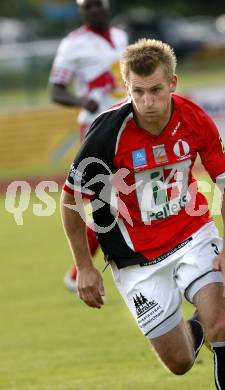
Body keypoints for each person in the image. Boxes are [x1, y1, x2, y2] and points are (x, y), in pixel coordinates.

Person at [60, 38, 225, 388]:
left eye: (156, 90)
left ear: (172, 83)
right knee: (179, 362)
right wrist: (84, 266)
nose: (148, 102)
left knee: (222, 325)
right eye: (139, 92)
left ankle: (211, 325)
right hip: (135, 259)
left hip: (192, 236)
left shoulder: (194, 119)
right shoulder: (105, 133)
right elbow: (70, 201)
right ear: (126, 85)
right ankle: (198, 328)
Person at [49, 0, 128, 292]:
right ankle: (78, 273)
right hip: (97, 128)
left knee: (121, 200)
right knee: (107, 202)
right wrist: (82, 100)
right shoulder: (73, 44)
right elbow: (55, 90)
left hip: (128, 123)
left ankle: (80, 273)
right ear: (81, 11)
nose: (94, 10)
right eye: (87, 6)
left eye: (98, 4)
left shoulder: (120, 36)